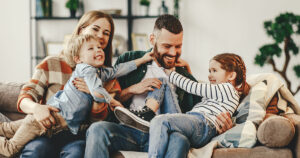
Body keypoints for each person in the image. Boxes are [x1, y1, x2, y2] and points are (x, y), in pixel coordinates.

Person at [84, 14, 234, 158]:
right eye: (167, 46)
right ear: (152, 39)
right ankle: (142, 116)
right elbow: (112, 100)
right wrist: (131, 90)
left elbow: (197, 116)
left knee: (181, 140)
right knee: (97, 130)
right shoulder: (130, 59)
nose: (173, 53)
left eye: (178, 46)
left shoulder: (184, 76)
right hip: (129, 131)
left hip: (165, 135)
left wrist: (223, 125)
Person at [0, 34, 153, 157]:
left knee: (6, 128)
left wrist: (143, 59)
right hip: (42, 121)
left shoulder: (99, 72)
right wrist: (111, 100)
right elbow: (96, 91)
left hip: (53, 126)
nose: (98, 50)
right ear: (78, 59)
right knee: (10, 149)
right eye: (91, 48)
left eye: (99, 47)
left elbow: (119, 69)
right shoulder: (86, 69)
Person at [15, 11, 116, 158]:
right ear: (81, 30)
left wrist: (93, 92)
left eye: (106, 33)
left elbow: (98, 121)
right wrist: (37, 108)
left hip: (77, 136)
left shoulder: (106, 76)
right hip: (45, 132)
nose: (100, 35)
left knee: (76, 152)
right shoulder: (51, 63)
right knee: (36, 150)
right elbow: (24, 98)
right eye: (95, 29)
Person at [147, 53, 250, 158]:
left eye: (214, 70)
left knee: (160, 120)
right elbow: (198, 91)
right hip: (199, 127)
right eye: (209, 71)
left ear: (231, 76)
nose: (210, 75)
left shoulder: (227, 88)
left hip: (203, 123)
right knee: (178, 139)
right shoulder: (222, 93)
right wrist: (187, 67)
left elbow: (193, 87)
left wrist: (169, 73)